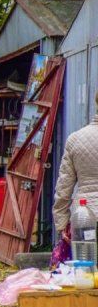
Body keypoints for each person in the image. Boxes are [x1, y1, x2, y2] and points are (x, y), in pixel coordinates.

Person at [53, 90, 98, 243]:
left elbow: (64, 186)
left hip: (85, 216)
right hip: (85, 215)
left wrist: (62, 223)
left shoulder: (75, 139)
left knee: (87, 264)